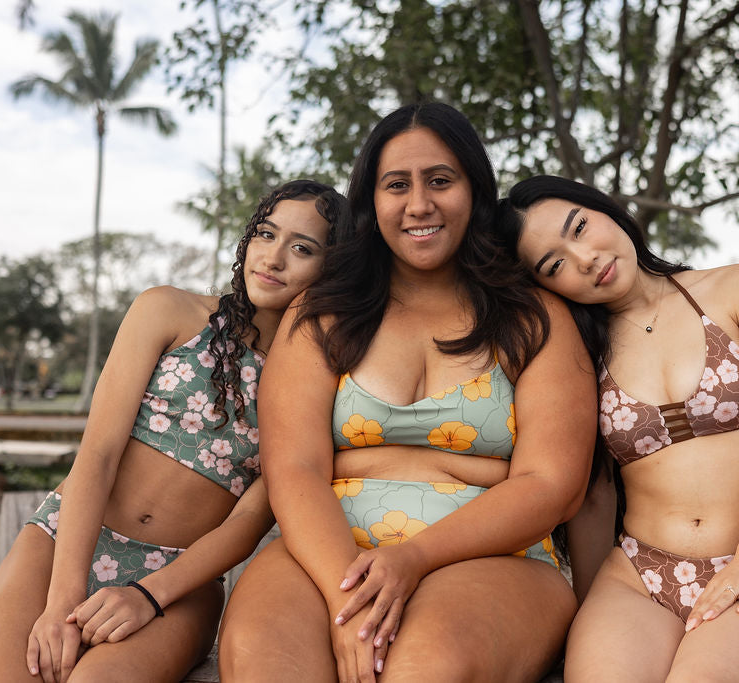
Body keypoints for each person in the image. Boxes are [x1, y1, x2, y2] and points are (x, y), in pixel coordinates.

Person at [217, 103, 595, 682]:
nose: (419, 204)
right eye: (397, 185)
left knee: (424, 670)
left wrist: (411, 559)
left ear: (475, 190)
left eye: (440, 181)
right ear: (372, 202)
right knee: (271, 666)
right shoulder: (323, 315)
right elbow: (294, 468)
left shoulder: (531, 317)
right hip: (326, 549)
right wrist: (351, 596)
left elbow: (552, 486)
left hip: (493, 554)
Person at [0, 179, 347, 683]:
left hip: (180, 584)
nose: (273, 258)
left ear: (334, 267)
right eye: (266, 234)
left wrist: (149, 594)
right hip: (67, 543)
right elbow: (97, 456)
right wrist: (61, 601)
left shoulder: (314, 380)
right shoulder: (169, 311)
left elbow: (248, 522)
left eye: (302, 248)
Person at [498, 175, 739, 681]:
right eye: (555, 264)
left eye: (579, 227)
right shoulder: (582, 352)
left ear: (605, 210)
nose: (584, 259)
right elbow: (595, 495)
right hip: (636, 578)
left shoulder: (738, 287)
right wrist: (590, 613)